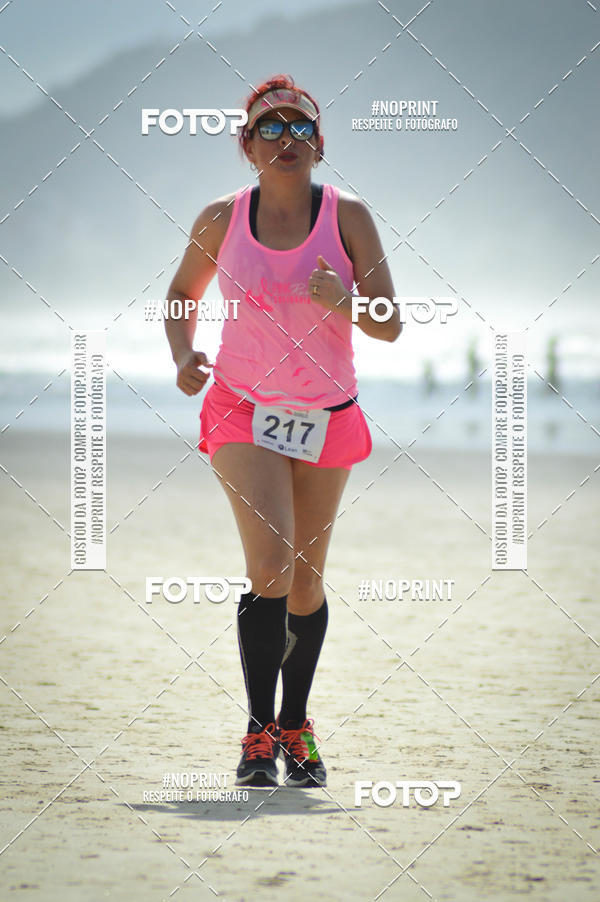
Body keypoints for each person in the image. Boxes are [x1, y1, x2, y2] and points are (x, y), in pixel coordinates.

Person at [165, 74, 401, 788]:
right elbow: (181, 294)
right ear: (247, 146)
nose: (286, 138)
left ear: (319, 144)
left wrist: (347, 300)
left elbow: (391, 324)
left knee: (303, 582)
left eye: (300, 127)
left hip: (326, 417)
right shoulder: (220, 218)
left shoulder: (349, 216)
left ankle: (296, 724)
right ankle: (258, 734)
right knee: (268, 566)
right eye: (270, 128)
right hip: (243, 409)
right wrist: (184, 356)